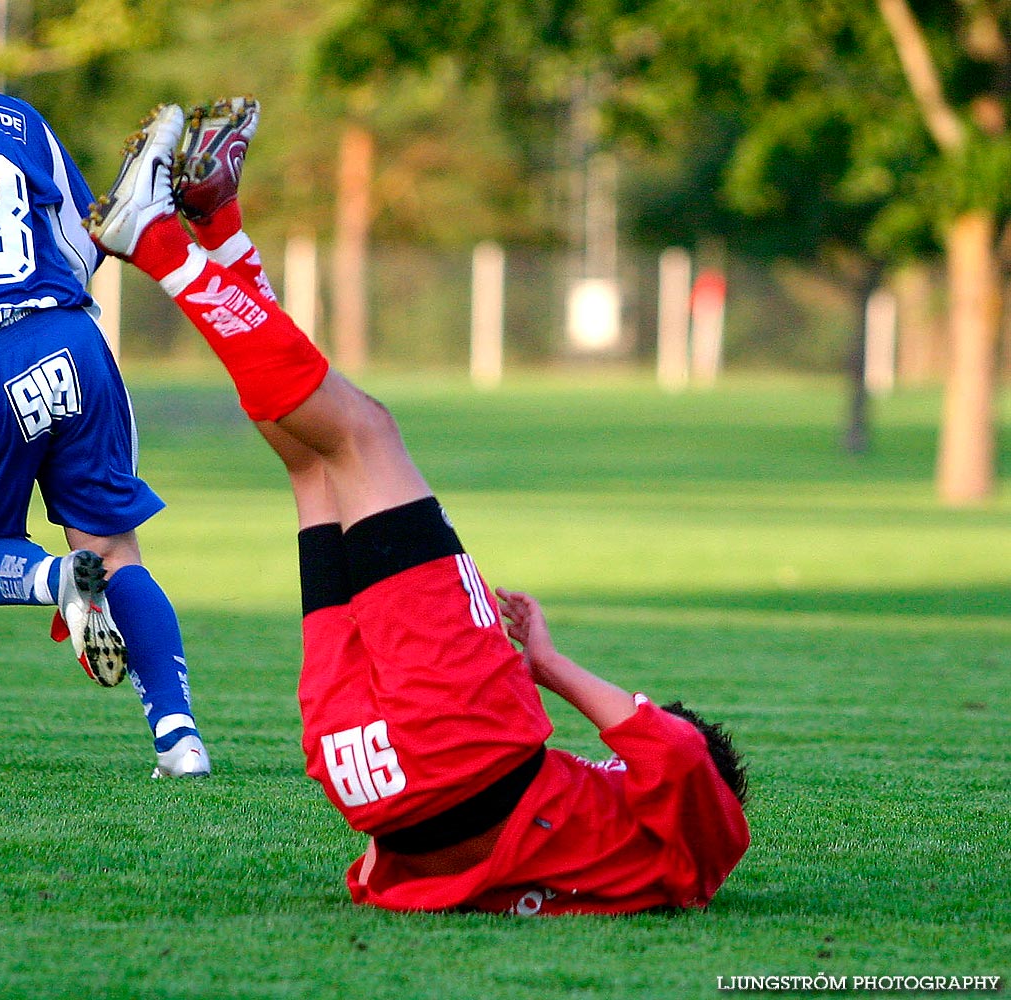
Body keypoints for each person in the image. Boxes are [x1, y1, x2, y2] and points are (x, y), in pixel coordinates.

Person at [87, 101, 751, 913]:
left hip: (468, 750)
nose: (624, 740)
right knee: (316, 470)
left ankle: (155, 240)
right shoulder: (626, 863)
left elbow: (678, 756)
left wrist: (547, 665)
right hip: (370, 781)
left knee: (365, 433)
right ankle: (217, 225)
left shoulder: (701, 837)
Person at [0, 0, 208, 777]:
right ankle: (181, 739)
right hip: (75, 345)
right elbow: (84, 246)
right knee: (117, 550)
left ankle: (56, 580)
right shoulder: (18, 118)